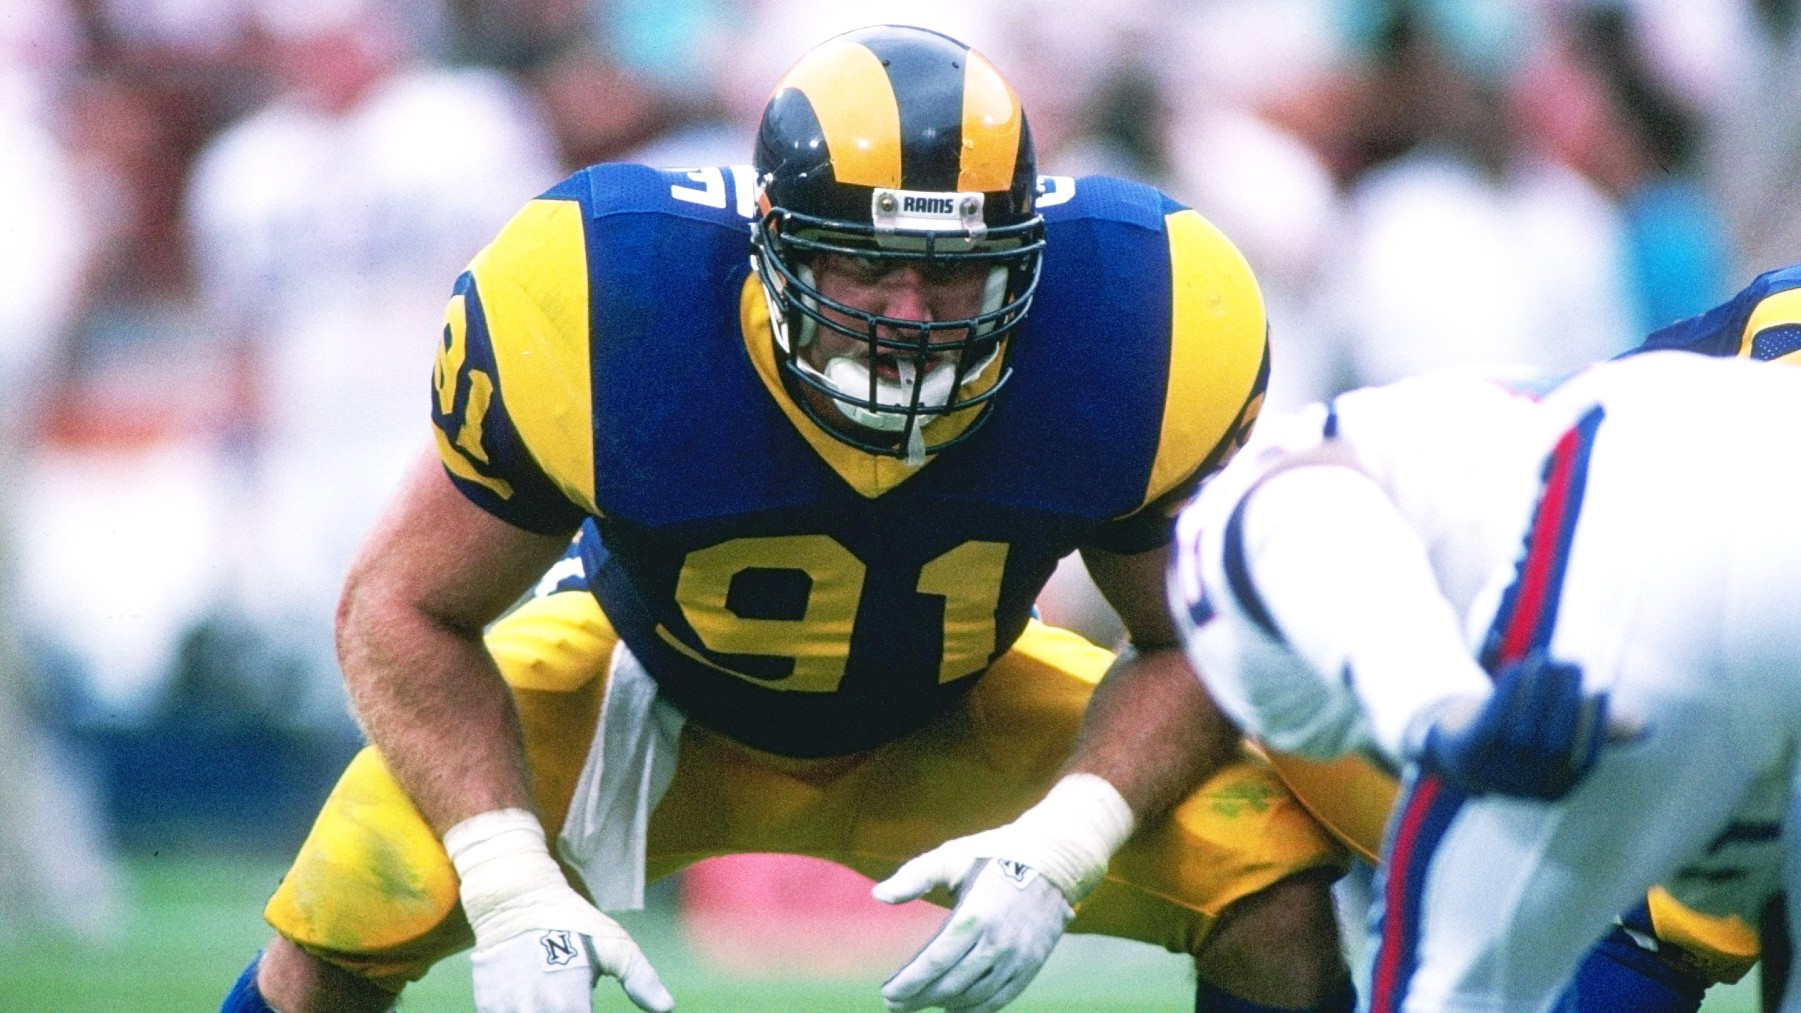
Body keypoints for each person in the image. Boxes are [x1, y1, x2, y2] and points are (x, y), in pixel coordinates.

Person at [219, 24, 1356, 1013]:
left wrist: (1070, 839)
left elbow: (1202, 632)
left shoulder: (1143, 314)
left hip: (960, 699)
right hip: (639, 681)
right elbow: (401, 603)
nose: (910, 316)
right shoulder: (607, 291)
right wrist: (507, 875)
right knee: (349, 901)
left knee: (1267, 879)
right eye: (865, 266)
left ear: (1030, 261)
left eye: (955, 276)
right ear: (772, 241)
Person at [1166, 349, 1801, 1012]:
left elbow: (1293, 508)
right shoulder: (1458, 436)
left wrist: (1436, 706)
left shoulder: (1244, 541)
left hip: (1641, 508)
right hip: (1741, 443)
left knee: (1448, 987)